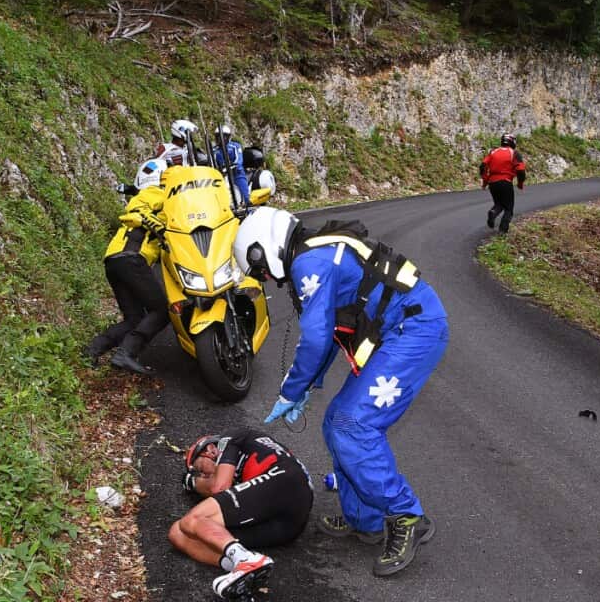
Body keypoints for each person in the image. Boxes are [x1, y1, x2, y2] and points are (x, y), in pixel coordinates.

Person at [232, 208, 447, 577]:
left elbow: (316, 338)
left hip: (415, 330)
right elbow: (334, 330)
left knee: (352, 424)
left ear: (261, 249)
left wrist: (290, 389)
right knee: (336, 422)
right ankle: (365, 519)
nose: (266, 278)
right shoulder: (314, 252)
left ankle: (405, 515)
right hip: (403, 329)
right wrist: (308, 387)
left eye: (260, 270)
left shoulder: (308, 262)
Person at [170, 429, 314, 601]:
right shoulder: (243, 476)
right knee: (178, 533)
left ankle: (245, 559)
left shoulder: (230, 439)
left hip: (284, 480)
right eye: (199, 475)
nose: (203, 475)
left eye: (200, 468)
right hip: (290, 522)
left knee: (191, 520)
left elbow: (218, 487)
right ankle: (241, 569)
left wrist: (193, 482)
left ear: (209, 450)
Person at [83, 158, 169, 375]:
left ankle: (92, 351)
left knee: (134, 319)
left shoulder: (158, 199)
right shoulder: (155, 193)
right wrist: (155, 225)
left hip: (114, 261)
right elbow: (137, 207)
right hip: (131, 258)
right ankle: (126, 354)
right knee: (161, 310)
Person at [479, 133, 527, 233]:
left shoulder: (493, 152)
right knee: (509, 208)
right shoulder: (514, 153)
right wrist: (520, 183)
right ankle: (502, 231)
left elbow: (482, 166)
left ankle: (493, 212)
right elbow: (521, 170)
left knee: (499, 204)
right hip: (505, 182)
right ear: (513, 142)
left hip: (493, 183)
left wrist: (485, 181)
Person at [211, 124, 250, 206]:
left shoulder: (235, 146)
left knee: (245, 195)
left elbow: (239, 160)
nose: (220, 139)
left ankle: (248, 207)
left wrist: (232, 165)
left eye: (223, 136)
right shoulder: (214, 150)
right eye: (217, 136)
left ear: (228, 137)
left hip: (236, 173)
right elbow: (212, 163)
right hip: (222, 175)